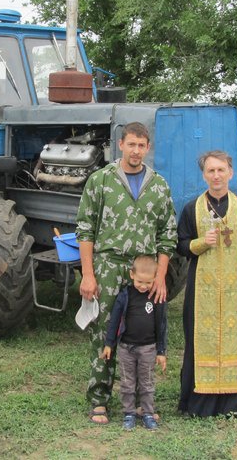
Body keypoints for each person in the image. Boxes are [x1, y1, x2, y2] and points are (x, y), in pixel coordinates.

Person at [75, 121, 177, 425]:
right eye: (131, 144)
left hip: (144, 272)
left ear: (147, 148)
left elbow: (167, 235)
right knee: (104, 329)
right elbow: (85, 229)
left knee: (143, 333)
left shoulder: (158, 185)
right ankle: (99, 399)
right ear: (121, 145)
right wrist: (88, 274)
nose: (136, 151)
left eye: (141, 145)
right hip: (108, 265)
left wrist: (160, 276)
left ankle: (141, 402)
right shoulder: (101, 180)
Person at [176, 149, 237, 419]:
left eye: (221, 170)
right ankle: (198, 404)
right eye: (211, 171)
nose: (216, 175)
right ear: (204, 175)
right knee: (197, 342)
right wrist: (202, 243)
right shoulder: (192, 208)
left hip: (234, 290)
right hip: (201, 291)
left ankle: (230, 406)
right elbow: (180, 246)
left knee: (232, 342)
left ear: (230, 173)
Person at [102, 255, 167, 431]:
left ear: (155, 279)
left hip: (148, 348)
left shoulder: (156, 297)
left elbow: (161, 325)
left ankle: (147, 413)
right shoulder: (125, 295)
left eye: (148, 282)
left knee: (147, 383)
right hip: (125, 348)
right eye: (140, 281)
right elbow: (115, 320)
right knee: (127, 382)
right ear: (132, 275)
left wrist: (161, 352)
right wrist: (109, 344)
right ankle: (129, 413)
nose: (143, 286)